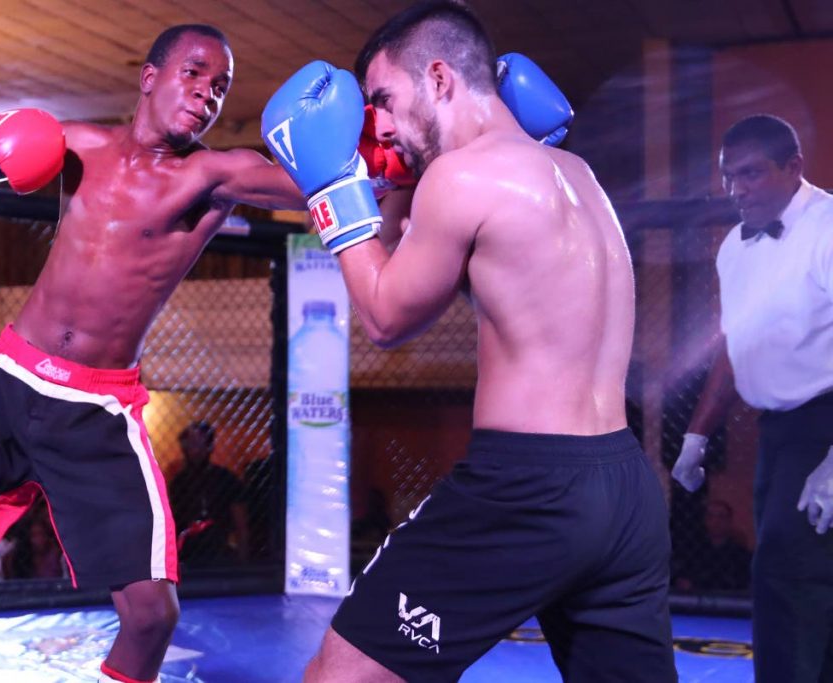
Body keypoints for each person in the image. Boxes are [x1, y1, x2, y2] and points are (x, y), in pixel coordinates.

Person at [0, 23, 303, 683]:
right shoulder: (78, 144)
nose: (207, 95)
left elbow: (321, 191)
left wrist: (382, 162)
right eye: (195, 74)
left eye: (220, 88)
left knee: (152, 615)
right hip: (6, 382)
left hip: (94, 408)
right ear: (149, 77)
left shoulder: (212, 174)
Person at [262, 2, 676, 681]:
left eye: (385, 101)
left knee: (337, 677)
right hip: (626, 489)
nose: (382, 125)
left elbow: (386, 316)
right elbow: (421, 265)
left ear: (440, 78)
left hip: (527, 485)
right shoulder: (579, 177)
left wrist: (332, 187)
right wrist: (393, 183)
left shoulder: (462, 178)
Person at [671, 113, 833, 682]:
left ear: (794, 168)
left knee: (787, 579)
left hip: (826, 427)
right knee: (807, 584)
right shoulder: (734, 250)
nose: (736, 190)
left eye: (750, 175)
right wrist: (696, 435)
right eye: (727, 177)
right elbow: (735, 345)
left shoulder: (829, 227)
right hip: (779, 434)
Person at [168, 420, 250, 564]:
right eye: (190, 444)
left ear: (209, 446)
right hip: (187, 554)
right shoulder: (179, 482)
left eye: (199, 443)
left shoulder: (226, 479)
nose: (194, 450)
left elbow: (240, 523)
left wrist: (242, 561)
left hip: (219, 552)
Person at [671, 500, 752, 593]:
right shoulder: (694, 552)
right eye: (710, 516)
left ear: (729, 521)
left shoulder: (740, 555)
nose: (715, 521)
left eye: (721, 516)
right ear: (705, 520)